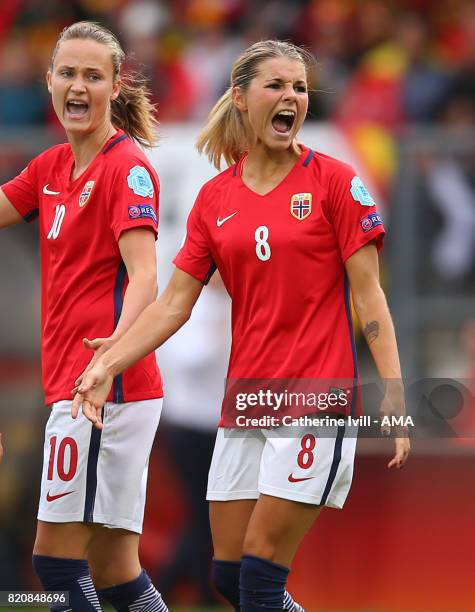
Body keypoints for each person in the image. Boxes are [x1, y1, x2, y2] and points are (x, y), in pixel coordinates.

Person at [72, 40, 411, 612]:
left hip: (316, 398)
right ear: (240, 97)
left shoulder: (335, 182)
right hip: (246, 401)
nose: (291, 97)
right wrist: (108, 363)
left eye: (300, 88)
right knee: (228, 578)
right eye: (276, 85)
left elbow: (370, 297)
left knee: (258, 574)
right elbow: (174, 304)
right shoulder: (214, 199)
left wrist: (396, 398)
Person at [0, 22, 167, 612]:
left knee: (54, 561)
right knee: (116, 572)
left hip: (103, 387)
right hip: (85, 385)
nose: (78, 85)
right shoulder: (49, 168)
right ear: (48, 82)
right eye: (67, 73)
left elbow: (146, 278)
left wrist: (108, 361)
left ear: (115, 85)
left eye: (93, 75)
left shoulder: (128, 169)